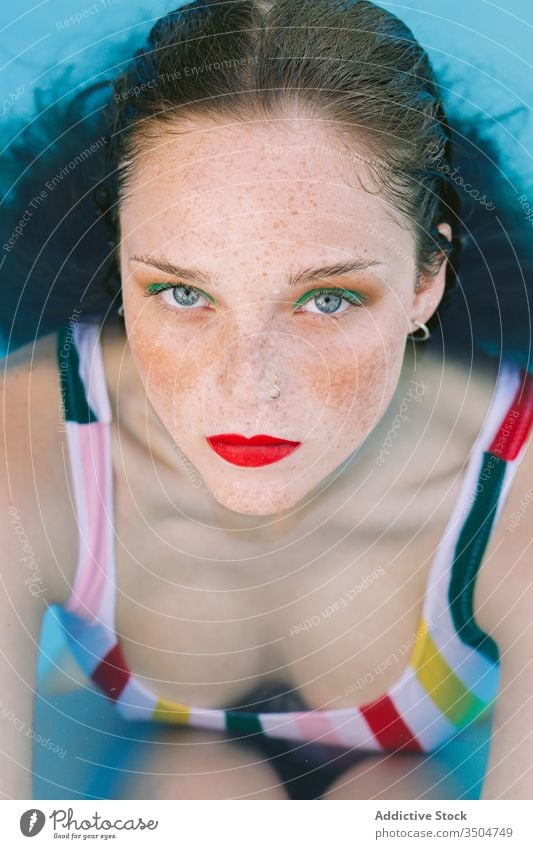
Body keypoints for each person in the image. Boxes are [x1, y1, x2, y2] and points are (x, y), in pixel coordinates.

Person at [1, 0, 532, 801]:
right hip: (134, 764)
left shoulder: (514, 483)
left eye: (326, 298)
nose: (248, 386)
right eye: (181, 290)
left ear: (427, 281)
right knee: (200, 786)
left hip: (421, 781)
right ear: (116, 262)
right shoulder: (31, 435)